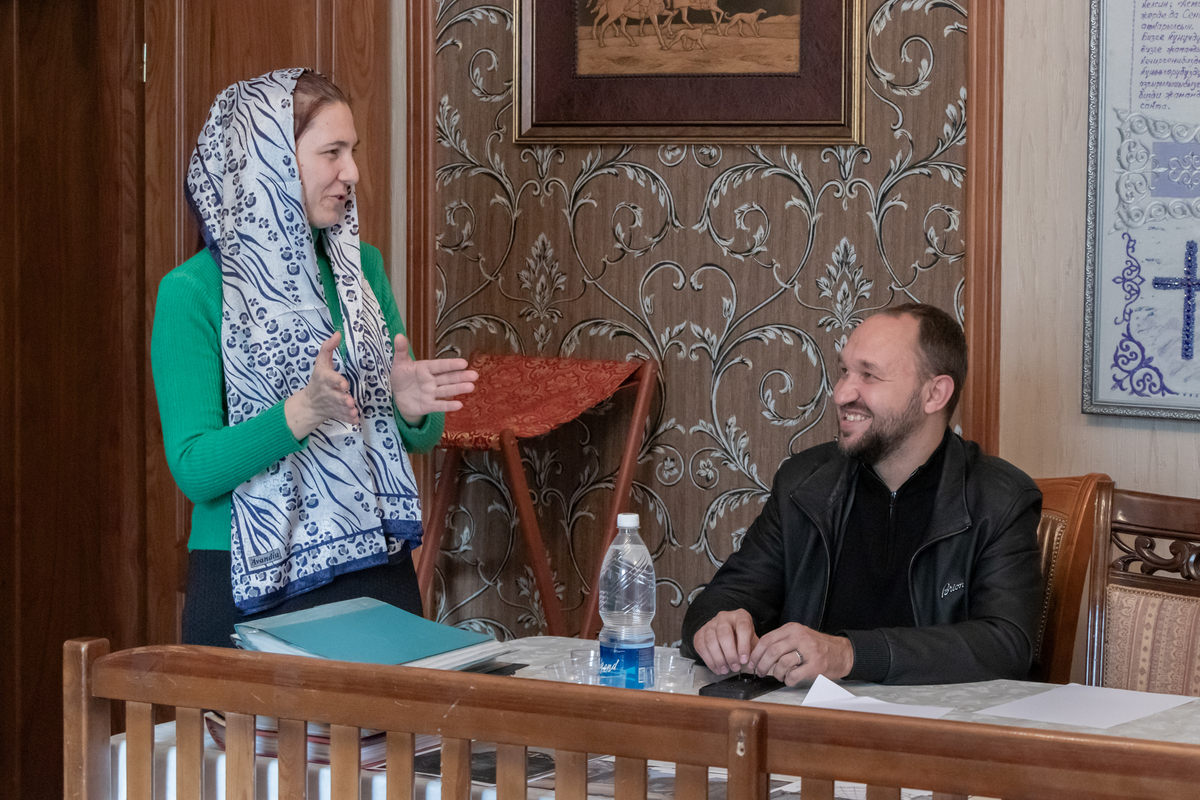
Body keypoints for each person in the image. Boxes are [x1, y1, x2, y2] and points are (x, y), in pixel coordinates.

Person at [151, 69, 476, 647]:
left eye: (353, 151)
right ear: (269, 159)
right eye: (332, 152)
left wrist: (408, 408)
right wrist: (302, 412)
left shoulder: (361, 267)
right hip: (244, 581)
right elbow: (195, 468)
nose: (352, 173)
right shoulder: (191, 292)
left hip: (375, 563)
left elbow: (418, 436)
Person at [680, 303, 1042, 685]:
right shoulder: (804, 483)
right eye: (844, 372)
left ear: (934, 394)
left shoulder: (999, 499)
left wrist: (849, 654)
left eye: (869, 375)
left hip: (935, 721)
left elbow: (1006, 645)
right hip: (807, 717)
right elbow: (722, 599)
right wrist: (716, 628)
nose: (840, 394)